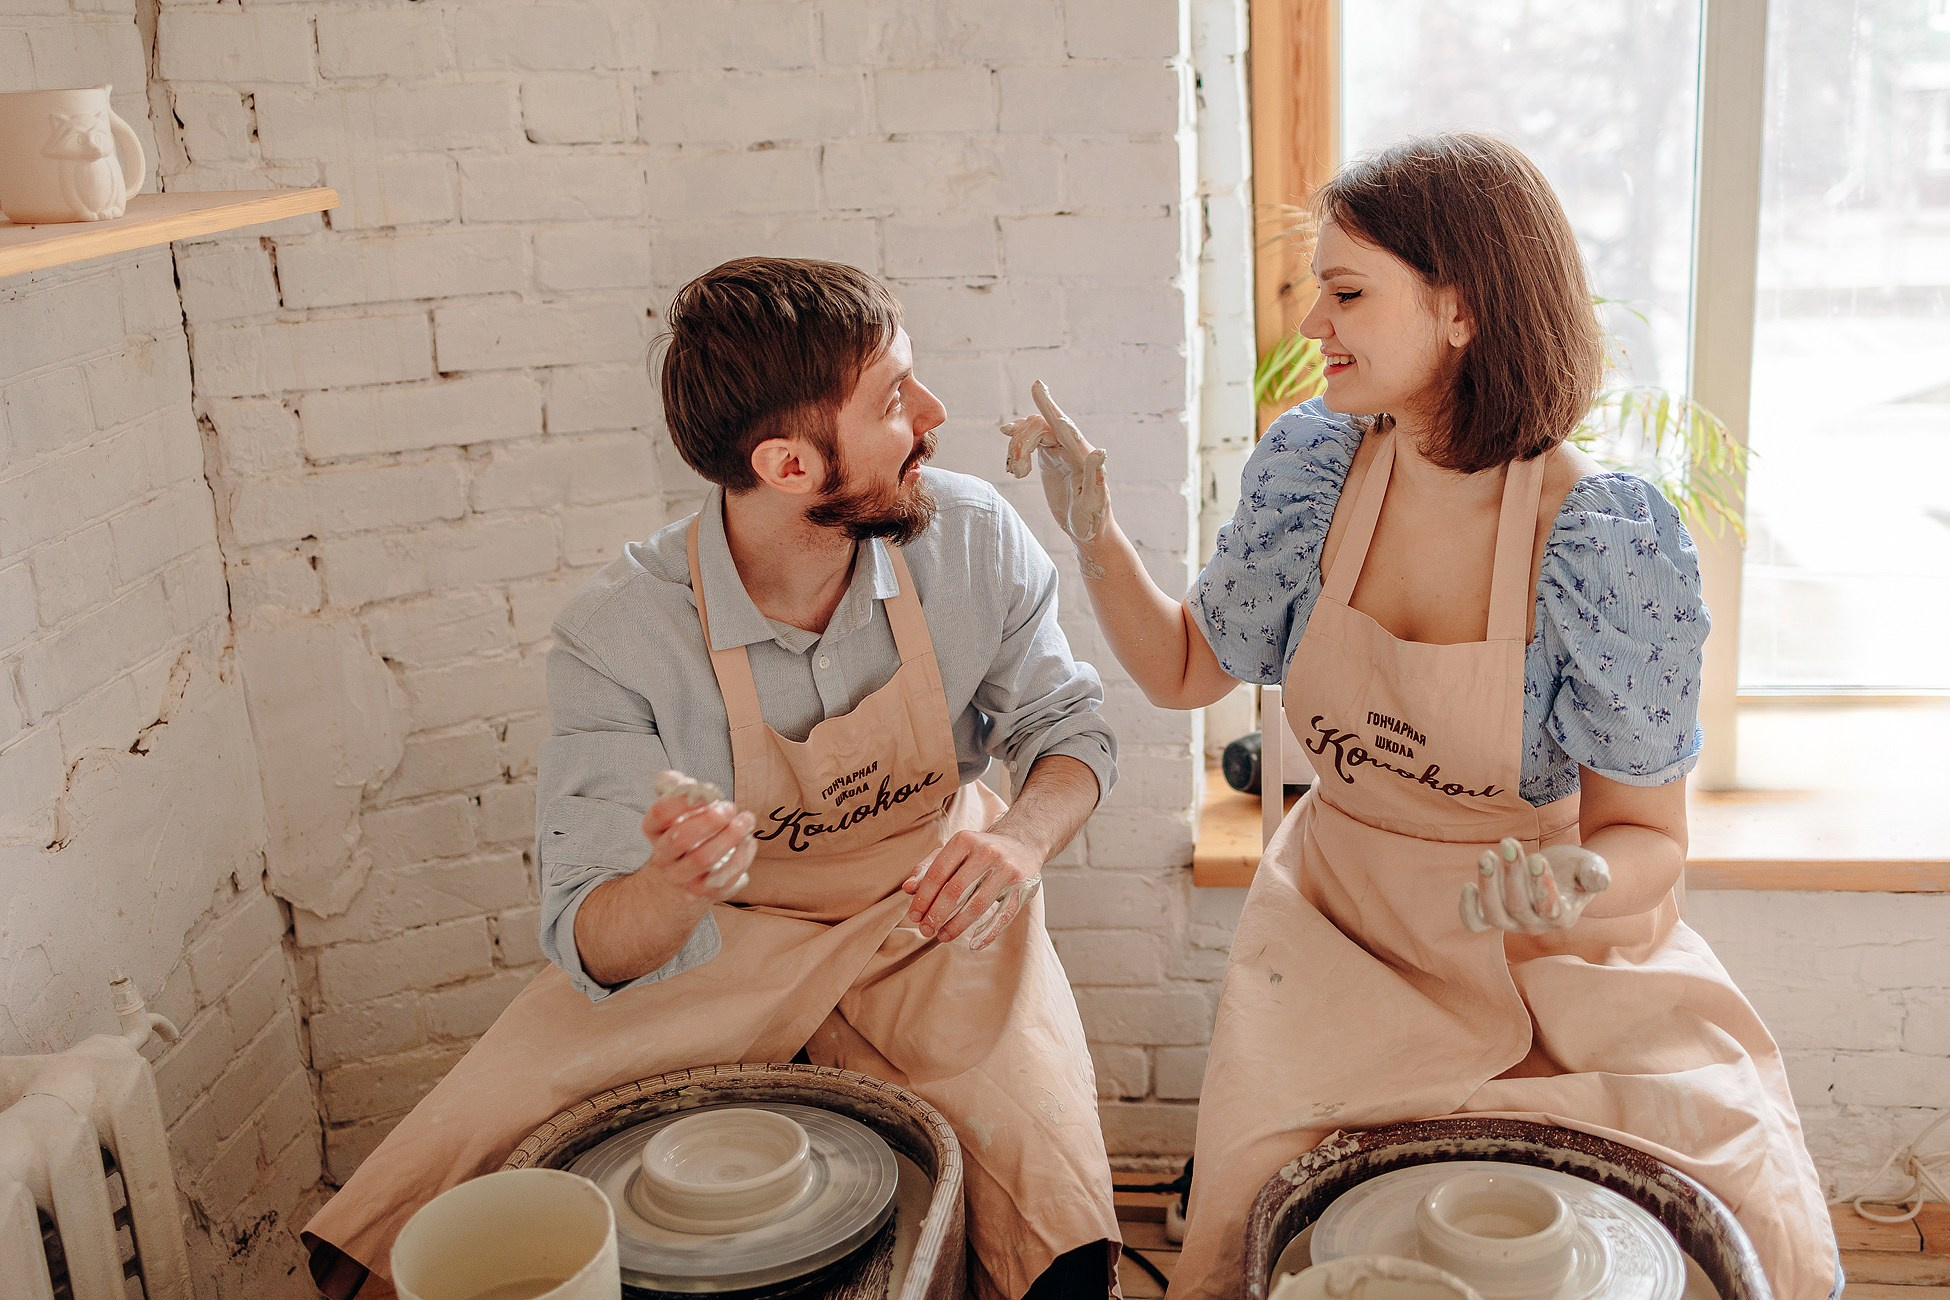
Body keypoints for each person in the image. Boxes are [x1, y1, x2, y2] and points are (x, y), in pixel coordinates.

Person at [1002, 134, 1838, 1298]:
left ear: (1462, 309)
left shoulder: (1602, 540)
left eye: (1346, 293)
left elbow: (1649, 837)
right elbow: (1188, 669)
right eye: (1318, 292)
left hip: (1553, 943)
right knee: (1260, 1232)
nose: (1314, 326)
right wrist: (1091, 534)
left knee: (1746, 1215)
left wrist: (1579, 884)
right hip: (1342, 930)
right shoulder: (1312, 466)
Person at [305, 257, 1123, 1300]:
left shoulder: (968, 538)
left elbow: (1072, 733)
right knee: (441, 1182)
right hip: (724, 933)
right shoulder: (618, 636)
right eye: (892, 399)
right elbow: (593, 937)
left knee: (1057, 1221)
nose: (933, 413)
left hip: (931, 915)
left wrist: (1018, 840)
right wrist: (670, 885)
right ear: (789, 465)